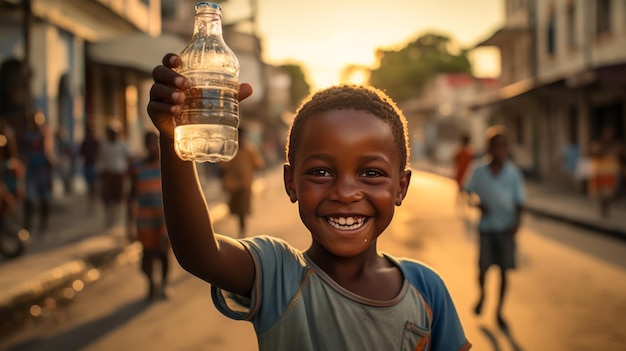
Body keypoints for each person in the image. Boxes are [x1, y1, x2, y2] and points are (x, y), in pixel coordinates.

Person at [146, 53, 471, 351]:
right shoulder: (278, 274)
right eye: (321, 172)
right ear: (292, 183)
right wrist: (173, 138)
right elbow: (200, 253)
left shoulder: (427, 288)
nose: (345, 193)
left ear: (401, 187)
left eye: (370, 173)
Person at [463, 125, 525, 332]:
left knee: (504, 272)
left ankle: (499, 311)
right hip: (486, 229)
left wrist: (517, 224)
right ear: (489, 148)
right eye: (496, 146)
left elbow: (519, 202)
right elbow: (468, 192)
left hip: (506, 229)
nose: (500, 150)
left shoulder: (513, 173)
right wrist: (477, 203)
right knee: (483, 269)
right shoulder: (478, 170)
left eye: (503, 146)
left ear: (506, 149)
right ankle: (483, 294)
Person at [127, 131, 170, 301]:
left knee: (163, 254)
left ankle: (164, 285)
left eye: (156, 144)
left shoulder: (166, 165)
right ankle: (151, 283)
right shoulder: (137, 167)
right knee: (147, 256)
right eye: (150, 144)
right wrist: (128, 223)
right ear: (145, 146)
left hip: (164, 218)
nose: (153, 148)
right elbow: (131, 196)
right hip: (144, 219)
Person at [219, 127, 265, 238]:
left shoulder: (249, 150)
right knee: (235, 209)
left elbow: (258, 164)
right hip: (233, 186)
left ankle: (242, 230)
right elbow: (223, 167)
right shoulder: (229, 150)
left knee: (243, 208)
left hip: (245, 184)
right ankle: (241, 227)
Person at [20, 110, 56, 238]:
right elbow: (24, 153)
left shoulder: (44, 134)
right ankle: (27, 227)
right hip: (31, 172)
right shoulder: (27, 136)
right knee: (29, 200)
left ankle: (43, 226)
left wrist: (50, 173)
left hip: (43, 172)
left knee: (45, 200)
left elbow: (48, 153)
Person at [98, 121, 131, 227]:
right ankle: (108, 216)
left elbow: (128, 158)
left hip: (119, 174)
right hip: (108, 174)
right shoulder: (104, 145)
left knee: (119, 197)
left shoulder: (122, 145)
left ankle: (117, 217)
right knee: (107, 196)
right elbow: (100, 159)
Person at [587, 127, 623, 218]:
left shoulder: (617, 146)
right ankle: (603, 211)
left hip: (611, 173)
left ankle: (606, 210)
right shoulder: (598, 145)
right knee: (602, 194)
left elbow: (621, 157)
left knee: (609, 194)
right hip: (600, 173)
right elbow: (591, 154)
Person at [79, 123, 101, 213]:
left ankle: (93, 205)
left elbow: (99, 153)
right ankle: (91, 205)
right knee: (90, 186)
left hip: (93, 165)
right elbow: (82, 152)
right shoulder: (86, 141)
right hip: (88, 165)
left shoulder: (96, 141)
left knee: (93, 186)